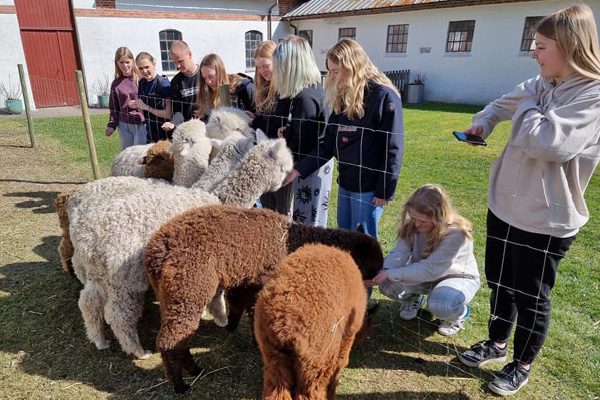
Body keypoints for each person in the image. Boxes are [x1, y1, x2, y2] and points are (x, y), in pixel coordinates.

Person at [456, 4, 600, 396]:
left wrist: (529, 106)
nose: (533, 54)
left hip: (547, 218)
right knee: (501, 282)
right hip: (505, 205)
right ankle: (496, 342)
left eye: (540, 46)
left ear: (570, 47)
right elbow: (500, 105)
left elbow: (548, 143)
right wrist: (483, 123)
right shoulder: (541, 83)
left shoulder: (592, 96)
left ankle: (521, 364)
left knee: (531, 294)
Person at [283, 38, 403, 238]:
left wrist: (384, 190)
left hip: (369, 189)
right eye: (330, 71)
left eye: (336, 71)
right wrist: (298, 170)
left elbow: (393, 148)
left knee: (363, 243)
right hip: (346, 183)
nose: (332, 77)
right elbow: (328, 144)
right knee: (344, 239)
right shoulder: (343, 98)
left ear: (352, 66)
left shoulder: (384, 97)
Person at [365, 184, 480, 336]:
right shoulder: (412, 226)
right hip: (424, 274)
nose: (417, 224)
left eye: (423, 221)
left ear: (439, 216)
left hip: (455, 277)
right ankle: (413, 299)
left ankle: (458, 314)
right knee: (386, 283)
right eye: (413, 218)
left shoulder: (456, 233)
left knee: (441, 304)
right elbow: (399, 254)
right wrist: (381, 272)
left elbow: (430, 269)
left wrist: (390, 273)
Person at [263, 35, 333, 227]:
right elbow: (305, 130)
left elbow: (304, 143)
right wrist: (289, 131)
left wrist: (286, 139)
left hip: (309, 168)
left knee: (308, 224)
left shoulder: (305, 98)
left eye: (279, 65)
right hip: (310, 165)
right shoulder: (309, 90)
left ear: (290, 66)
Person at [105, 47, 146, 150]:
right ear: (117, 63)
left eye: (127, 62)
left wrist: (140, 105)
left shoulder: (141, 79)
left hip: (141, 123)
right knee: (127, 155)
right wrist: (111, 125)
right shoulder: (116, 84)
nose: (125, 65)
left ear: (133, 61)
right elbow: (114, 108)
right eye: (121, 62)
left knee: (139, 154)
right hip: (124, 125)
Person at [195, 53, 255, 121]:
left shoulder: (243, 87)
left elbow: (257, 118)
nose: (208, 81)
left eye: (211, 76)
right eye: (205, 78)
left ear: (221, 71)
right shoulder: (207, 95)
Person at [129, 52, 172, 142]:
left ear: (154, 64)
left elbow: (168, 114)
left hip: (165, 134)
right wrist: (137, 105)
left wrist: (146, 107)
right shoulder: (142, 83)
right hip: (150, 133)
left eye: (147, 67)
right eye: (141, 68)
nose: (144, 71)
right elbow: (143, 109)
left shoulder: (163, 83)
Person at [165, 40, 199, 130]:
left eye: (180, 61)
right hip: (189, 130)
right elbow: (178, 110)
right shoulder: (175, 82)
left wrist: (206, 111)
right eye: (175, 62)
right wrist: (174, 122)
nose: (178, 66)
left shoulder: (205, 75)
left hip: (209, 128)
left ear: (190, 55)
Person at [250, 40, 278, 137]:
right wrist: (255, 118)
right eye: (259, 67)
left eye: (266, 66)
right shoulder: (262, 87)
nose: (262, 71)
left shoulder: (283, 90)